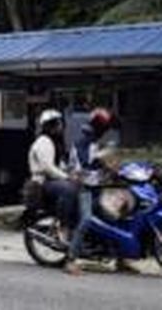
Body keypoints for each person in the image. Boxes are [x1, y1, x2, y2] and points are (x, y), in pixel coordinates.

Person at [65, 108, 117, 276]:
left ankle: (117, 256)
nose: (106, 131)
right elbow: (84, 167)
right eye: (105, 128)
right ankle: (71, 259)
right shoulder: (84, 142)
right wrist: (103, 161)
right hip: (83, 187)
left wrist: (110, 169)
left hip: (94, 186)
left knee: (111, 214)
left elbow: (99, 163)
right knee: (86, 219)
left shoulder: (94, 141)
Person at [28, 109, 79, 248]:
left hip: (52, 180)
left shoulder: (55, 142)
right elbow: (48, 168)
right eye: (56, 123)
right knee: (69, 190)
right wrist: (68, 177)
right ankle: (63, 226)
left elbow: (60, 165)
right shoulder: (43, 141)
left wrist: (73, 173)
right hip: (43, 182)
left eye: (60, 123)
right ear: (48, 126)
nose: (60, 126)